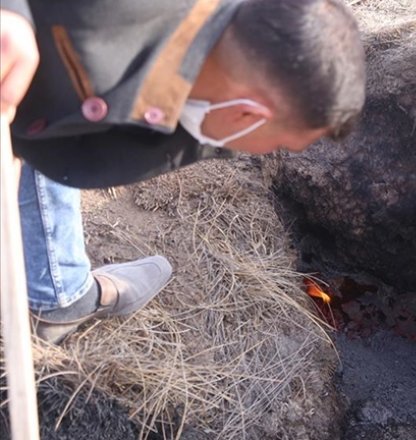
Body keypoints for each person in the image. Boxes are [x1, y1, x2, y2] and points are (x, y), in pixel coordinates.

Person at [0, 0, 366, 343]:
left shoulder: (194, 104)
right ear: (247, 115)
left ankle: (57, 294)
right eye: (281, 143)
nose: (272, 153)